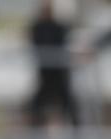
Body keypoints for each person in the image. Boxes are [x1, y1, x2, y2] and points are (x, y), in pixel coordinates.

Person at [27, 0, 79, 131]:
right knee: (38, 103)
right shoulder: (37, 28)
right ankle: (34, 129)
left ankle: (76, 130)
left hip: (58, 73)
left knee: (67, 102)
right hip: (45, 74)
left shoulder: (59, 27)